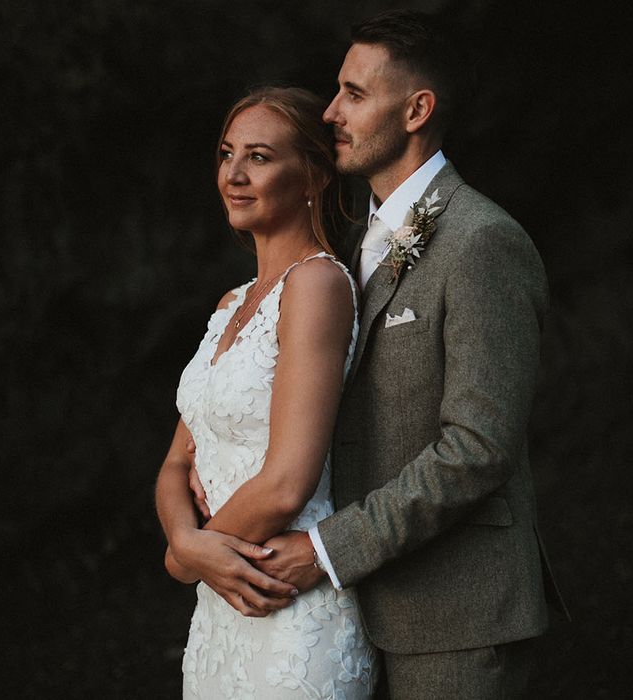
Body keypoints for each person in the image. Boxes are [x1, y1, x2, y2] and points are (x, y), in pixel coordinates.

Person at [186, 10, 569, 699]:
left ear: (417, 109)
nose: (330, 111)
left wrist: (328, 550)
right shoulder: (347, 246)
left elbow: (477, 449)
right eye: (336, 90)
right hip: (344, 613)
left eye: (354, 95)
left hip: (451, 612)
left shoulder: (482, 242)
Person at [155, 86, 378, 698]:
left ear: (312, 174)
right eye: (228, 154)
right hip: (221, 607)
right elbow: (177, 462)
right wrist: (185, 544)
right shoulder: (230, 304)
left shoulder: (318, 285)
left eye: (259, 157)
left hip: (288, 610)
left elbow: (286, 483)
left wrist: (186, 560)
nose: (233, 174)